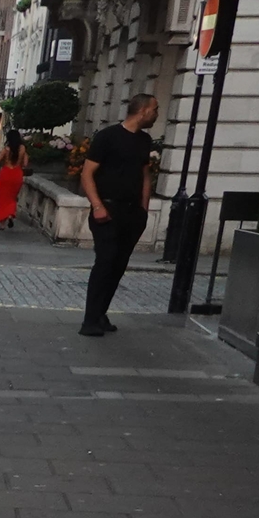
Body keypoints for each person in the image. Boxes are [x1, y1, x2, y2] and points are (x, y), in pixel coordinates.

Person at [77, 93, 160, 337]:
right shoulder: (107, 137)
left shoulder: (145, 141)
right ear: (143, 111)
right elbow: (87, 173)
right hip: (107, 209)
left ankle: (101, 314)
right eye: (154, 110)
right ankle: (89, 320)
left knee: (118, 265)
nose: (157, 114)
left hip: (132, 211)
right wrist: (97, 205)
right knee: (105, 261)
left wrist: (144, 209)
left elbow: (145, 176)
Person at [0, 138, 26, 231]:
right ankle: (10, 214)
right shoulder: (23, 149)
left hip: (6, 174)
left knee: (3, 199)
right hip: (17, 174)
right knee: (12, 198)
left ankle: (2, 225)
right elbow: (26, 163)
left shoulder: (6, 149)